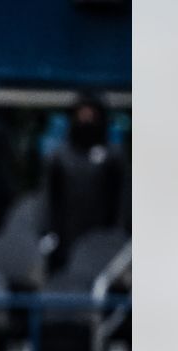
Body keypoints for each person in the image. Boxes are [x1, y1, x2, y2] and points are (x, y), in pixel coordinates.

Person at [42, 93, 130, 272]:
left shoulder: (114, 157)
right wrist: (50, 235)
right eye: (82, 113)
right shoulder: (59, 157)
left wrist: (119, 238)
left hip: (103, 243)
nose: (87, 118)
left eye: (91, 113)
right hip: (66, 244)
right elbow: (49, 202)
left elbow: (122, 201)